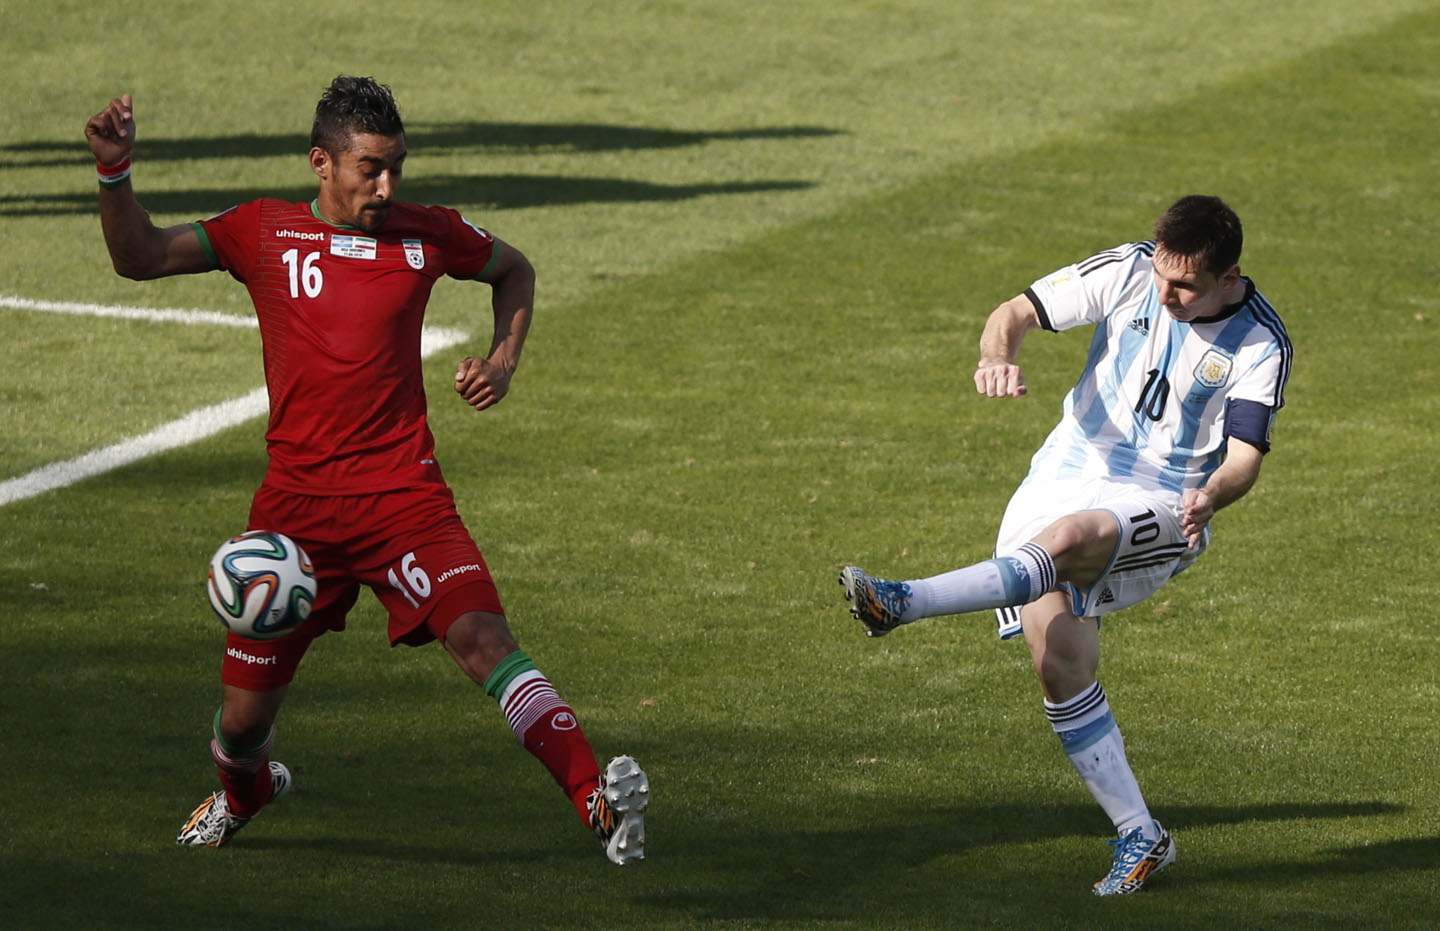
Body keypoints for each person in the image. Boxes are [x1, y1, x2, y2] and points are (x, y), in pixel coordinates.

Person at [84, 77, 648, 865]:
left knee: (485, 636)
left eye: (397, 168)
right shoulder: (263, 233)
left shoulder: (429, 235)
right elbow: (139, 257)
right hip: (294, 521)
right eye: (369, 169)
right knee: (242, 723)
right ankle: (247, 790)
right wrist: (115, 174)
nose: (387, 187)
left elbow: (515, 271)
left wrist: (504, 360)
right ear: (322, 162)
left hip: (405, 504)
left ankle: (597, 798)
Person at [839, 195, 1290, 895]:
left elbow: (1244, 456)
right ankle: (1143, 836)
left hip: (1167, 498)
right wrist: (996, 356)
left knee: (1073, 539)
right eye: (1163, 276)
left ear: (1230, 276)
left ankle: (902, 601)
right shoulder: (1131, 269)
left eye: (1185, 286)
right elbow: (1013, 312)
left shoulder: (1261, 341)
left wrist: (1213, 494)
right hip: (1069, 464)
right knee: (1061, 662)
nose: (1164, 293)